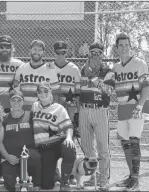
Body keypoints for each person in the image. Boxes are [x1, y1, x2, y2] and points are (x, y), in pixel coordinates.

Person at [113, 32, 149, 191]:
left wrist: (140, 105)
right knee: (125, 143)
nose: (124, 48)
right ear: (116, 48)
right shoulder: (115, 67)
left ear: (130, 47)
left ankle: (135, 179)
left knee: (134, 142)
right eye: (121, 45)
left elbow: (146, 87)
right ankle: (131, 176)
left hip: (136, 108)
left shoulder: (139, 63)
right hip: (122, 109)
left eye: (126, 45)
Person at [0, 35, 25, 183]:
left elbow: (28, 72)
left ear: (11, 48)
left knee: (5, 139)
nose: (4, 49)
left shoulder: (18, 64)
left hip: (9, 106)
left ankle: (3, 170)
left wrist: (48, 67)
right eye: (1, 46)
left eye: (7, 47)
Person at [77, 42, 113, 191]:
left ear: (102, 54)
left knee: (103, 147)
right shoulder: (82, 69)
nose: (96, 55)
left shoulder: (107, 71)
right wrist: (77, 112)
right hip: (84, 109)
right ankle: (94, 175)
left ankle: (104, 179)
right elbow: (79, 91)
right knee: (86, 146)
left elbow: (109, 92)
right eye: (93, 52)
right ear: (89, 53)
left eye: (99, 52)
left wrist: (95, 79)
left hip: (100, 110)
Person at [47, 41, 82, 184]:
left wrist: (78, 112)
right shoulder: (48, 67)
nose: (60, 55)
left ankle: (70, 174)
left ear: (67, 53)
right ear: (53, 52)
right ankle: (55, 172)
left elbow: (78, 92)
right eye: (58, 52)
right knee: (52, 138)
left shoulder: (73, 68)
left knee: (69, 140)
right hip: (53, 108)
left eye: (63, 52)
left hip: (70, 108)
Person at [32, 81, 76, 191]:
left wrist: (69, 138)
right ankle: (56, 175)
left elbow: (68, 126)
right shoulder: (34, 106)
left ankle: (65, 182)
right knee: (46, 186)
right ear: (37, 94)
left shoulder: (59, 108)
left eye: (46, 91)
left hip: (58, 143)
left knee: (69, 148)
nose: (43, 94)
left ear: (50, 92)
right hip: (45, 148)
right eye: (40, 92)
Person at [0, 89, 41, 191]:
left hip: (28, 157)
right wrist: (7, 156)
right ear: (9, 102)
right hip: (10, 158)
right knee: (12, 186)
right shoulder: (4, 118)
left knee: (35, 159)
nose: (16, 103)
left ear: (23, 101)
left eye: (19, 100)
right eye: (13, 100)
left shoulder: (30, 116)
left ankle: (35, 179)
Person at [13, 40, 60, 111]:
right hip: (24, 110)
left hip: (42, 112)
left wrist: (54, 111)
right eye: (34, 49)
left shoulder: (50, 70)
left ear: (43, 53)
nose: (37, 52)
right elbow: (16, 90)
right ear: (30, 50)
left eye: (40, 50)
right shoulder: (21, 68)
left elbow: (56, 93)